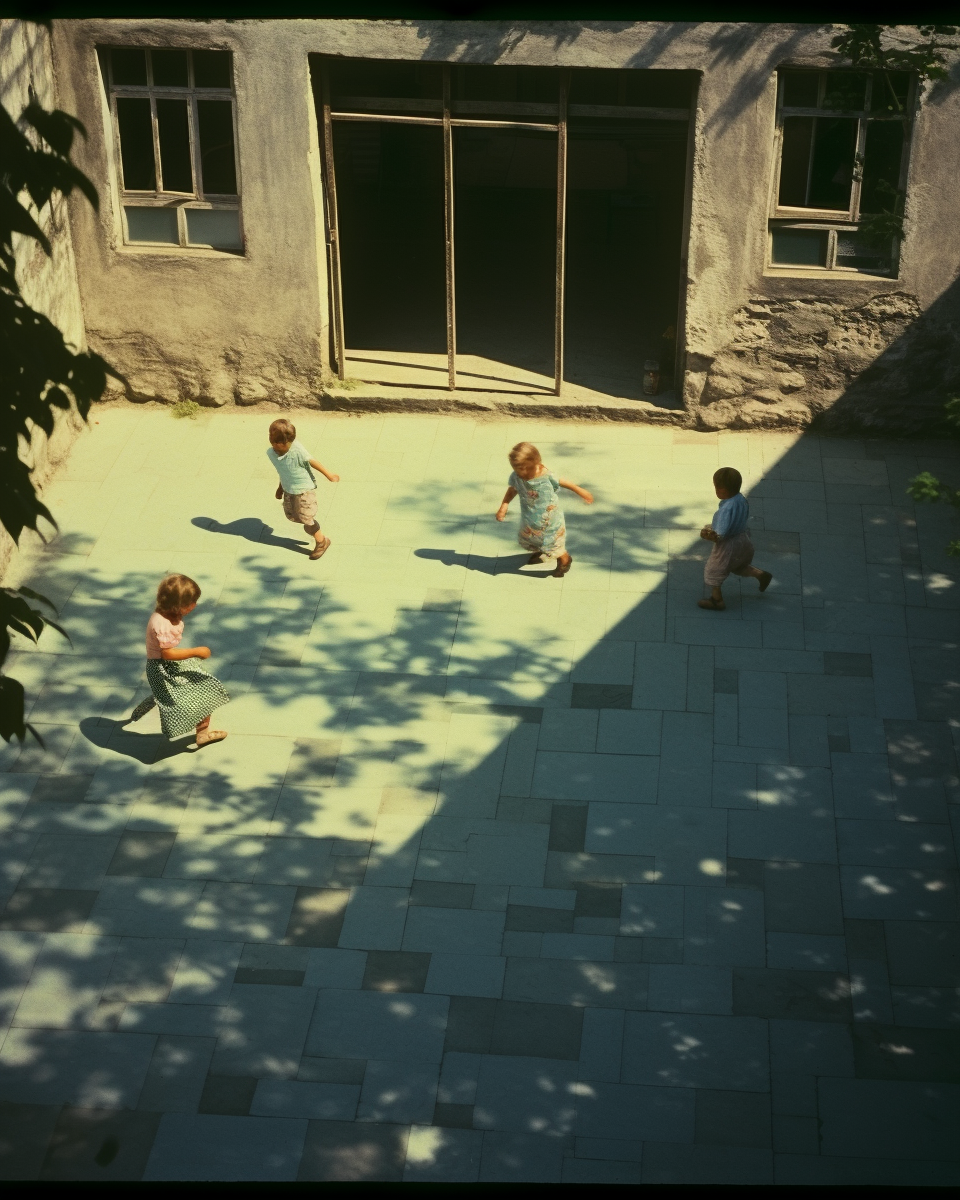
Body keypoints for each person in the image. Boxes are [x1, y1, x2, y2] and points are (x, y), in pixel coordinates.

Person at [127, 573, 230, 747]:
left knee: (185, 689)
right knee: (204, 693)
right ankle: (202, 733)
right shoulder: (162, 624)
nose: (195, 605)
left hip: (165, 667)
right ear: (178, 606)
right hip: (163, 668)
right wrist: (197, 651)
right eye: (191, 603)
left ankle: (156, 698)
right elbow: (167, 654)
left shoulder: (165, 613)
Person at [496, 441, 594, 577]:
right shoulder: (517, 476)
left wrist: (580, 491)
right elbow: (513, 489)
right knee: (531, 537)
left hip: (549, 518)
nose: (520, 474)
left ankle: (565, 560)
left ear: (535, 464)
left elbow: (563, 481)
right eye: (516, 470)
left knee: (553, 542)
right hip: (530, 517)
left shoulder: (546, 475)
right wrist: (504, 506)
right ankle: (542, 551)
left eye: (524, 470)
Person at [699, 466, 772, 610]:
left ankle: (717, 600)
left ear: (722, 490)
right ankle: (760, 575)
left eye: (717, 487)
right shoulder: (741, 499)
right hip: (743, 539)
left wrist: (708, 535)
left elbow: (721, 534)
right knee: (738, 565)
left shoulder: (726, 509)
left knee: (714, 570)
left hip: (728, 545)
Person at [266, 418, 339, 560]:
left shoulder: (297, 450)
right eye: (273, 441)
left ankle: (322, 541)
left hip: (304, 489)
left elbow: (312, 461)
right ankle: (314, 530)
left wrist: (329, 475)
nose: (276, 445)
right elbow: (284, 471)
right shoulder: (271, 453)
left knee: (307, 520)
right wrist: (280, 488)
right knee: (292, 516)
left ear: (288, 441)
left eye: (280, 443)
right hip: (289, 489)